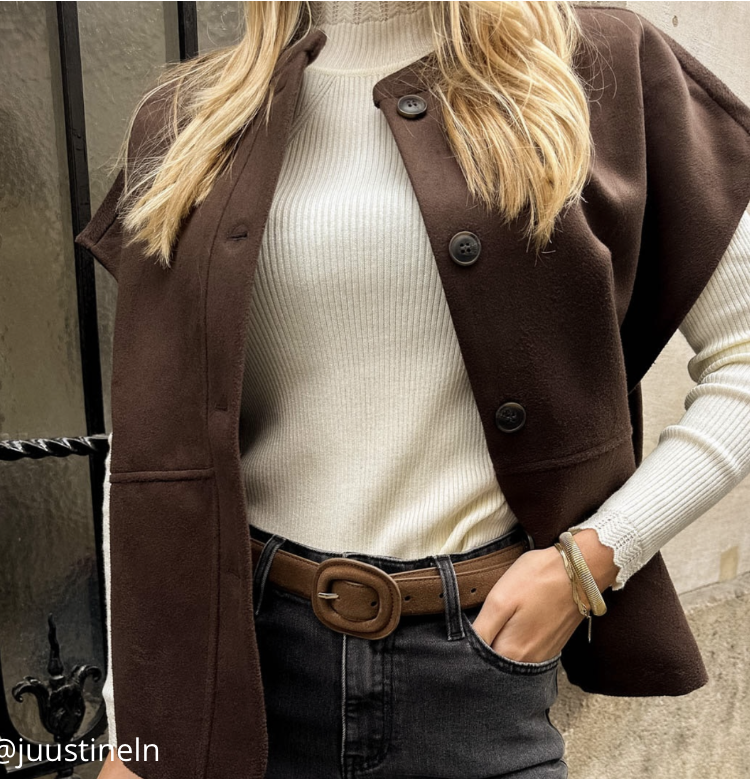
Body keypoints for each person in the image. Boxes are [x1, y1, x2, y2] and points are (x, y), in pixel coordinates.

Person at [89, 2, 750, 778]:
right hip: (243, 678)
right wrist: (132, 724)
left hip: (471, 671)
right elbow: (150, 449)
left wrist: (592, 561)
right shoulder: (194, 118)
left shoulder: (595, 65)